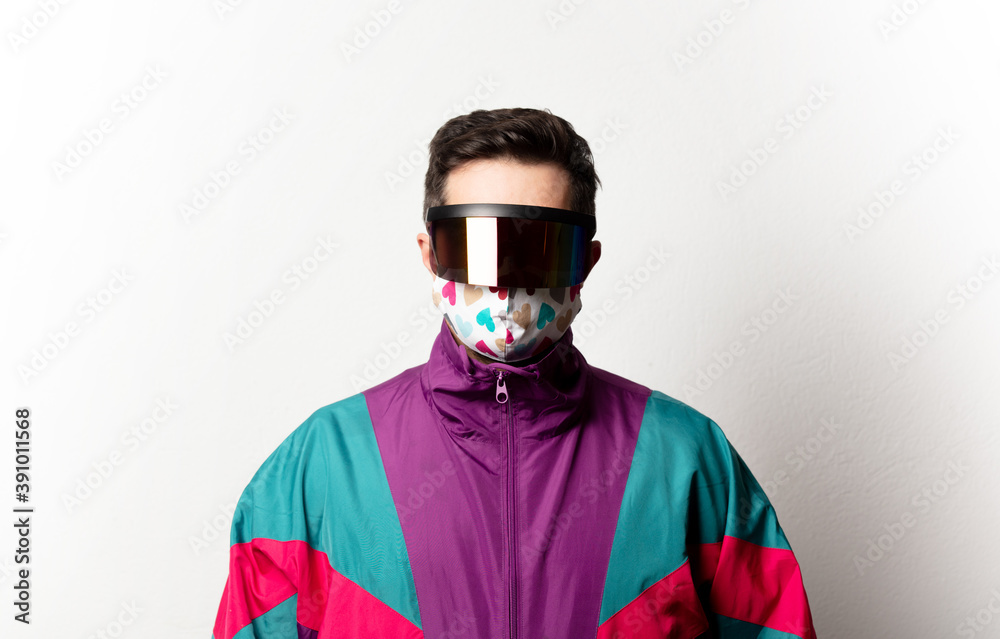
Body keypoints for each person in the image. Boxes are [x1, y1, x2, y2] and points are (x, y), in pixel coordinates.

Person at [211, 107, 817, 639]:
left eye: (537, 247)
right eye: (476, 245)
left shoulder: (687, 461)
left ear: (586, 262)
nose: (504, 283)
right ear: (430, 255)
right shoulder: (319, 468)